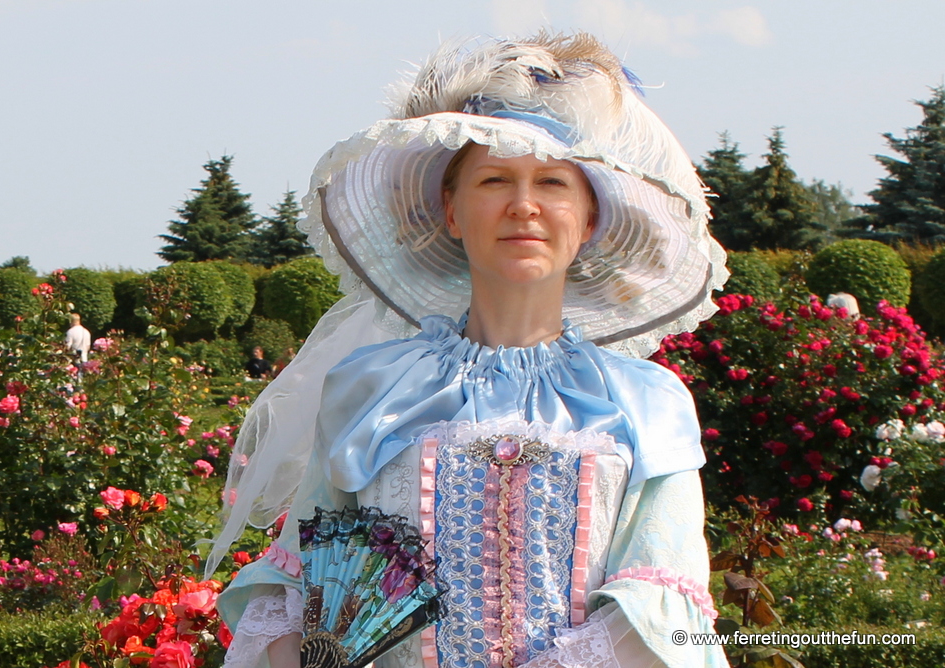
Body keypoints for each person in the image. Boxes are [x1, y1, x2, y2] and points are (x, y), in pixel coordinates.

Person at [210, 32, 730, 668]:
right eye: (494, 179)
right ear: (451, 211)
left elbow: (662, 605)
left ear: (589, 220)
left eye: (553, 182)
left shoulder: (647, 403)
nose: (524, 206)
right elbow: (299, 590)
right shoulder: (369, 391)